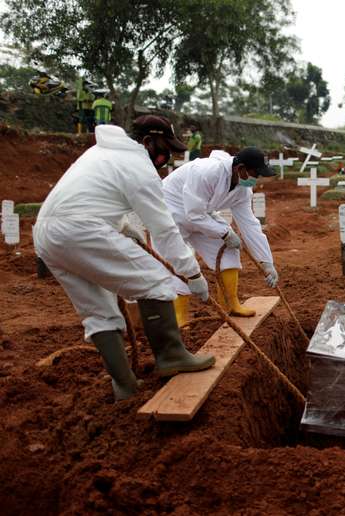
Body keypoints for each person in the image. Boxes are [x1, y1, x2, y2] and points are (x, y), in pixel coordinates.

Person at [33, 115, 215, 401]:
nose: (167, 157)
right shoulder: (138, 166)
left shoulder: (100, 153)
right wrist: (192, 274)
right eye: (165, 148)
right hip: (82, 229)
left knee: (98, 311)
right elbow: (164, 227)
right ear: (147, 142)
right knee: (155, 280)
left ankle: (125, 385)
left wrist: (122, 228)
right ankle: (171, 356)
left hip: (47, 234)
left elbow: (93, 197)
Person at [162, 147, 278, 327]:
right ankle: (179, 316)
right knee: (180, 261)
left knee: (228, 251)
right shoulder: (205, 172)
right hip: (172, 211)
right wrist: (224, 232)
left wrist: (266, 261)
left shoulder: (242, 190)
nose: (256, 179)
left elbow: (250, 224)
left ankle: (231, 304)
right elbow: (193, 214)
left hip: (202, 214)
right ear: (240, 169)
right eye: (255, 174)